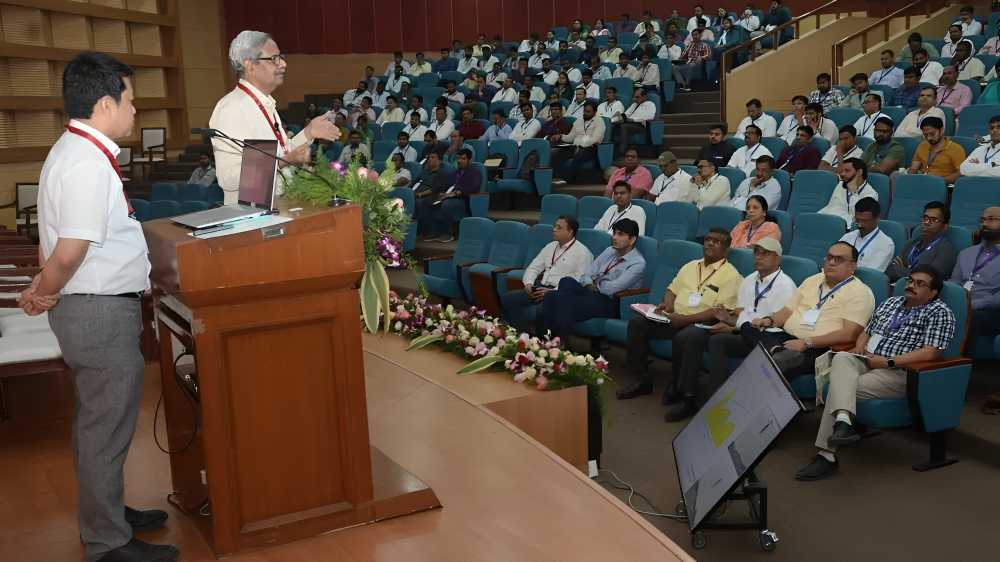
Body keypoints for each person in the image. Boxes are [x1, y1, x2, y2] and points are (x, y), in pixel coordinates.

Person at [20, 50, 179, 562]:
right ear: (106, 102)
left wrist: (46, 286)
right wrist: (45, 289)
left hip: (91, 305)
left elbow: (55, 245)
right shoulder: (88, 163)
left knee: (100, 424)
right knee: (104, 428)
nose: (136, 111)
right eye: (131, 101)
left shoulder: (71, 149)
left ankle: (106, 513)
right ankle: (107, 542)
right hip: (97, 310)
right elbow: (69, 251)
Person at [796, 263, 955, 481]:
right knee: (843, 357)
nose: (911, 286)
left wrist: (889, 361)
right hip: (867, 360)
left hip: (900, 372)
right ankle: (843, 421)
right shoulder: (891, 302)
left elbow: (931, 353)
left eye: (920, 284)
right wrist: (860, 345)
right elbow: (867, 331)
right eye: (910, 280)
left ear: (933, 292)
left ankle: (827, 455)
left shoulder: (940, 313)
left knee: (839, 387)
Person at [617, 228, 742, 419]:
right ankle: (642, 379)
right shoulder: (691, 266)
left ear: (726, 248)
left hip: (703, 324)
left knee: (687, 337)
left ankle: (687, 396)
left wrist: (684, 320)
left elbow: (719, 312)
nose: (710, 243)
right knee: (638, 323)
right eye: (708, 239)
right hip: (675, 317)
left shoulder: (731, 276)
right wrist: (668, 304)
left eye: (717, 241)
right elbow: (672, 289)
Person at [210, 31, 339, 205]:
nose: (284, 64)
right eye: (274, 59)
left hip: (280, 208)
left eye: (282, 58)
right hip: (252, 218)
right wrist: (281, 162)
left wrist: (308, 133)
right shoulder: (232, 109)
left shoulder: (265, 104)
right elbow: (228, 178)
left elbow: (284, 154)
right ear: (250, 65)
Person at [750, 241, 876, 380]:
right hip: (787, 338)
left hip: (819, 348)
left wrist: (806, 343)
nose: (832, 262)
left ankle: (775, 355)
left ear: (852, 266)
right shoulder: (813, 280)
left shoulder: (860, 292)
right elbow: (786, 311)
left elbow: (849, 334)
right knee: (748, 327)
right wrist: (768, 320)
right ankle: (777, 350)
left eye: (838, 259)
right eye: (829, 257)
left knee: (771, 363)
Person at [541, 219, 646, 343]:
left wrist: (595, 282)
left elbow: (612, 289)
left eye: (620, 234)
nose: (615, 237)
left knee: (560, 299)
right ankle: (545, 342)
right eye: (614, 233)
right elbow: (587, 273)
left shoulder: (638, 263)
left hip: (612, 302)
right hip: (591, 292)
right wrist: (592, 283)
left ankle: (554, 344)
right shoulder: (610, 251)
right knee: (565, 282)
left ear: (632, 239)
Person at [502, 216, 594, 334]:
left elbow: (578, 281)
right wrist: (529, 283)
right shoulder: (550, 246)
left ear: (570, 232)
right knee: (508, 298)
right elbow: (533, 267)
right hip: (539, 288)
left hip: (559, 294)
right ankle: (520, 336)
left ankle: (539, 343)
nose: (554, 229)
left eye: (559, 228)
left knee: (542, 311)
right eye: (554, 226)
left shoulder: (583, 253)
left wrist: (552, 292)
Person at [950, 206, 1000, 355]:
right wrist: (955, 301)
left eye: (991, 219)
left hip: (992, 310)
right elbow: (954, 281)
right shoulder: (966, 253)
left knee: (971, 318)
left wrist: (972, 305)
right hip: (964, 303)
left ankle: (957, 364)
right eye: (983, 220)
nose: (985, 224)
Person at [417, 149, 480, 243]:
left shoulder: (475, 172)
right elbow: (446, 185)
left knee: (447, 204)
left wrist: (457, 193)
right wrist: (442, 193)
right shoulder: (455, 173)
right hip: (448, 196)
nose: (459, 161)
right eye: (458, 158)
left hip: (463, 199)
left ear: (469, 160)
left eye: (463, 159)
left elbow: (474, 188)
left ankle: (449, 233)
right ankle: (433, 232)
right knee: (427, 201)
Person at [887, 201, 957, 283]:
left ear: (944, 226)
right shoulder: (911, 243)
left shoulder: (946, 250)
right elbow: (891, 270)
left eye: (934, 220)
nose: (926, 222)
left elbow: (930, 279)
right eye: (925, 218)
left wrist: (902, 270)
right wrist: (908, 272)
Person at [550, 101, 605, 184]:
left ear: (595, 112)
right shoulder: (578, 121)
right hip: (575, 146)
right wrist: (561, 136)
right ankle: (556, 177)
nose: (585, 113)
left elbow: (595, 139)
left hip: (591, 148)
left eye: (588, 112)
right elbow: (571, 137)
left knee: (579, 153)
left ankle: (567, 179)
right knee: (556, 153)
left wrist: (581, 145)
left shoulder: (599, 122)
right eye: (584, 111)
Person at [819, 157, 878, 227]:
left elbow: (857, 219)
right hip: (828, 222)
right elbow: (832, 208)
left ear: (859, 172)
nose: (842, 174)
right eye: (842, 171)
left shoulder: (871, 194)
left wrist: (854, 193)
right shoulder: (841, 185)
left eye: (847, 171)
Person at [840, 197, 895, 271]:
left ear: (877, 219)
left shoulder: (886, 244)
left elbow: (870, 275)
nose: (859, 225)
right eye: (857, 220)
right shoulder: (847, 237)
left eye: (864, 221)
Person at [908, 117, 965, 183]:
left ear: (941, 130)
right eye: (925, 135)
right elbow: (914, 167)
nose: (929, 138)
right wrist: (911, 175)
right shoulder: (922, 145)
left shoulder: (956, 149)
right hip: (922, 180)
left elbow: (961, 173)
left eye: (932, 134)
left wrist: (940, 182)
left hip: (942, 184)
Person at [613, 89, 656, 156]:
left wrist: (633, 119)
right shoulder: (634, 104)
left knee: (624, 126)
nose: (635, 99)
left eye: (637, 97)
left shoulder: (650, 104)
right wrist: (620, 116)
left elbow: (650, 117)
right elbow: (626, 114)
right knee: (613, 125)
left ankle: (622, 153)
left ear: (644, 96)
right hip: (629, 123)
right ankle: (612, 152)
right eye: (634, 97)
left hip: (640, 126)